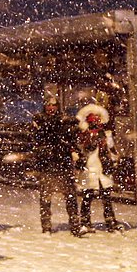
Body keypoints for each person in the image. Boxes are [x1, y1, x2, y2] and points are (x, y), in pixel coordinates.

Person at [32, 95, 82, 237]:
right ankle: (46, 226)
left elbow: (71, 138)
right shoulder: (40, 120)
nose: (51, 108)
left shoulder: (64, 120)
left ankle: (75, 225)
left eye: (54, 105)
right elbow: (40, 137)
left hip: (63, 162)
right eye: (49, 105)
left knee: (70, 195)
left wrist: (73, 149)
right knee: (46, 197)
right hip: (48, 164)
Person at [75, 103, 122, 233]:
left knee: (106, 196)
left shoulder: (105, 134)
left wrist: (113, 156)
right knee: (88, 196)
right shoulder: (84, 134)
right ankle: (85, 221)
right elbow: (85, 148)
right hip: (90, 167)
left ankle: (110, 220)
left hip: (102, 167)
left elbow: (111, 149)